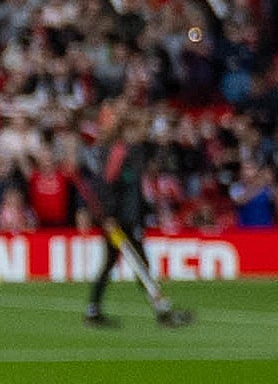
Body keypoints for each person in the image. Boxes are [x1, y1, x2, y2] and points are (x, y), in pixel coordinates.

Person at [78, 104, 192, 330]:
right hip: (120, 221)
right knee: (139, 264)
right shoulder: (120, 152)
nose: (146, 132)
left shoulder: (131, 151)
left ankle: (94, 310)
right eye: (143, 128)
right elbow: (107, 185)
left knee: (114, 262)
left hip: (125, 218)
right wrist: (109, 216)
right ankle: (163, 310)